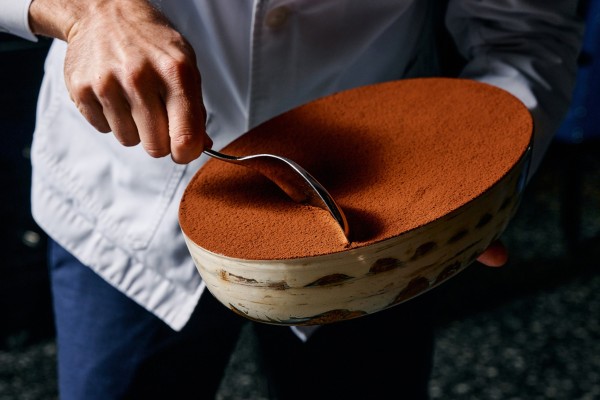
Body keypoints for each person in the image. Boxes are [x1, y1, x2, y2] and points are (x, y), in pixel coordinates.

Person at [0, 0, 584, 399]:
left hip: (384, 203)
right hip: (128, 193)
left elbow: (523, 30)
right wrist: (89, 11)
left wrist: (483, 174)